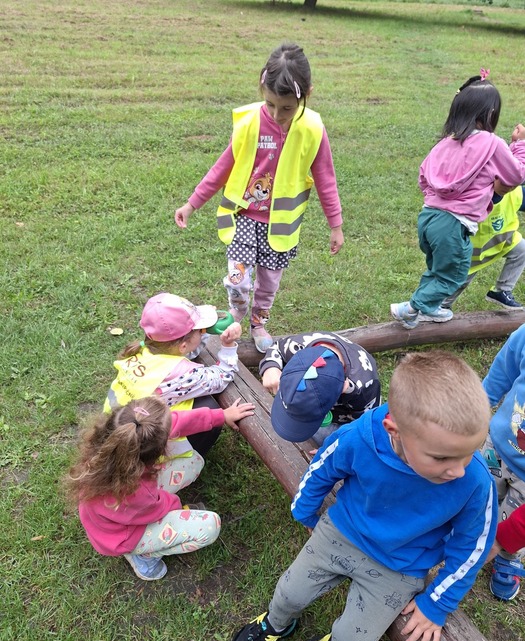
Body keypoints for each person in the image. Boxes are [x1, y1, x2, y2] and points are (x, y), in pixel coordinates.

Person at [231, 351, 496, 641]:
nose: (459, 470)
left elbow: (472, 547)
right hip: (344, 531)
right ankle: (277, 624)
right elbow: (323, 466)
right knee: (287, 594)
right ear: (393, 430)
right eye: (442, 458)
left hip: (400, 564)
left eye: (470, 452)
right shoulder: (361, 436)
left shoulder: (476, 481)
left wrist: (437, 603)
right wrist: (306, 511)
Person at [175, 43, 344, 353]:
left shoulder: (313, 130)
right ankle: (236, 315)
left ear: (307, 94)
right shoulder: (250, 122)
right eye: (270, 104)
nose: (277, 115)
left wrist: (336, 225)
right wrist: (192, 203)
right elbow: (223, 166)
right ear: (262, 87)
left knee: (268, 283)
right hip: (243, 217)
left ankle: (258, 323)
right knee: (237, 279)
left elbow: (325, 179)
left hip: (281, 226)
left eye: (287, 108)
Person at [65, 396, 254, 581]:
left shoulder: (116, 441)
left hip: (122, 510)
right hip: (125, 535)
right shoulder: (135, 493)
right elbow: (159, 508)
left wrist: (221, 416)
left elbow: (174, 422)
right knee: (210, 526)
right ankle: (144, 557)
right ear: (159, 451)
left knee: (193, 462)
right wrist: (177, 507)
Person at [391, 71, 525, 330]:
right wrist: (520, 145)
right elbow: (516, 174)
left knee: (437, 271)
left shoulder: (446, 142)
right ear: (491, 113)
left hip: (428, 217)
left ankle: (429, 307)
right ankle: (410, 308)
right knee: (455, 274)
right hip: (454, 225)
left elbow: (423, 176)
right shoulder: (491, 142)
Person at [105, 293, 244, 496]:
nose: (202, 332)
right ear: (183, 346)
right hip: (145, 451)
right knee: (209, 407)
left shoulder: (143, 351)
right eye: (198, 331)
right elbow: (222, 376)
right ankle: (179, 467)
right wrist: (228, 346)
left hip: (117, 435)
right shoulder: (181, 374)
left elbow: (185, 349)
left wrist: (202, 328)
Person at [259, 332, 380, 445]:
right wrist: (271, 367)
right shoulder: (298, 345)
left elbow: (367, 425)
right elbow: (277, 347)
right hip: (322, 408)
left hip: (341, 418)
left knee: (323, 436)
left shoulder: (364, 387)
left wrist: (335, 447)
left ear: (343, 387)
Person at [481, 325, 525, 600]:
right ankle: (472, 528)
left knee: (513, 516)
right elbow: (504, 368)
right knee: (483, 492)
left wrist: (505, 541)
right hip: (496, 446)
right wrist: (481, 401)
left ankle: (508, 555)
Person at [442, 183, 525, 311]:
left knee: (522, 250)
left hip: (505, 240)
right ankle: (441, 306)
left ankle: (502, 290)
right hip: (473, 250)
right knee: (460, 282)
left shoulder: (515, 192)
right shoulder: (477, 194)